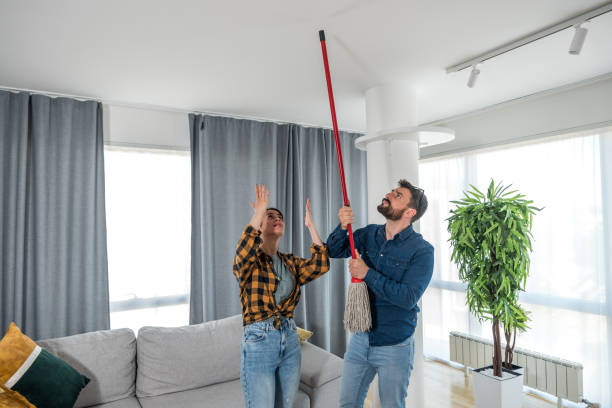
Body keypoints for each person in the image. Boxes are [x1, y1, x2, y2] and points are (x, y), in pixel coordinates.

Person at [327, 179, 434, 408]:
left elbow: (407, 298)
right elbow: (333, 250)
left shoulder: (422, 251)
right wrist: (342, 225)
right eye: (392, 191)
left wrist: (366, 273)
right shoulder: (369, 235)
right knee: (347, 404)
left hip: (394, 347)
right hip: (360, 341)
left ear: (410, 212)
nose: (389, 194)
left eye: (397, 195)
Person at [233, 184, 330, 408]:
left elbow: (321, 264)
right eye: (271, 216)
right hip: (259, 340)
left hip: (290, 338)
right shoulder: (250, 261)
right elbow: (243, 250)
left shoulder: (290, 262)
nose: (278, 218)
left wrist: (311, 225)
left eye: (280, 216)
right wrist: (259, 212)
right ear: (260, 223)